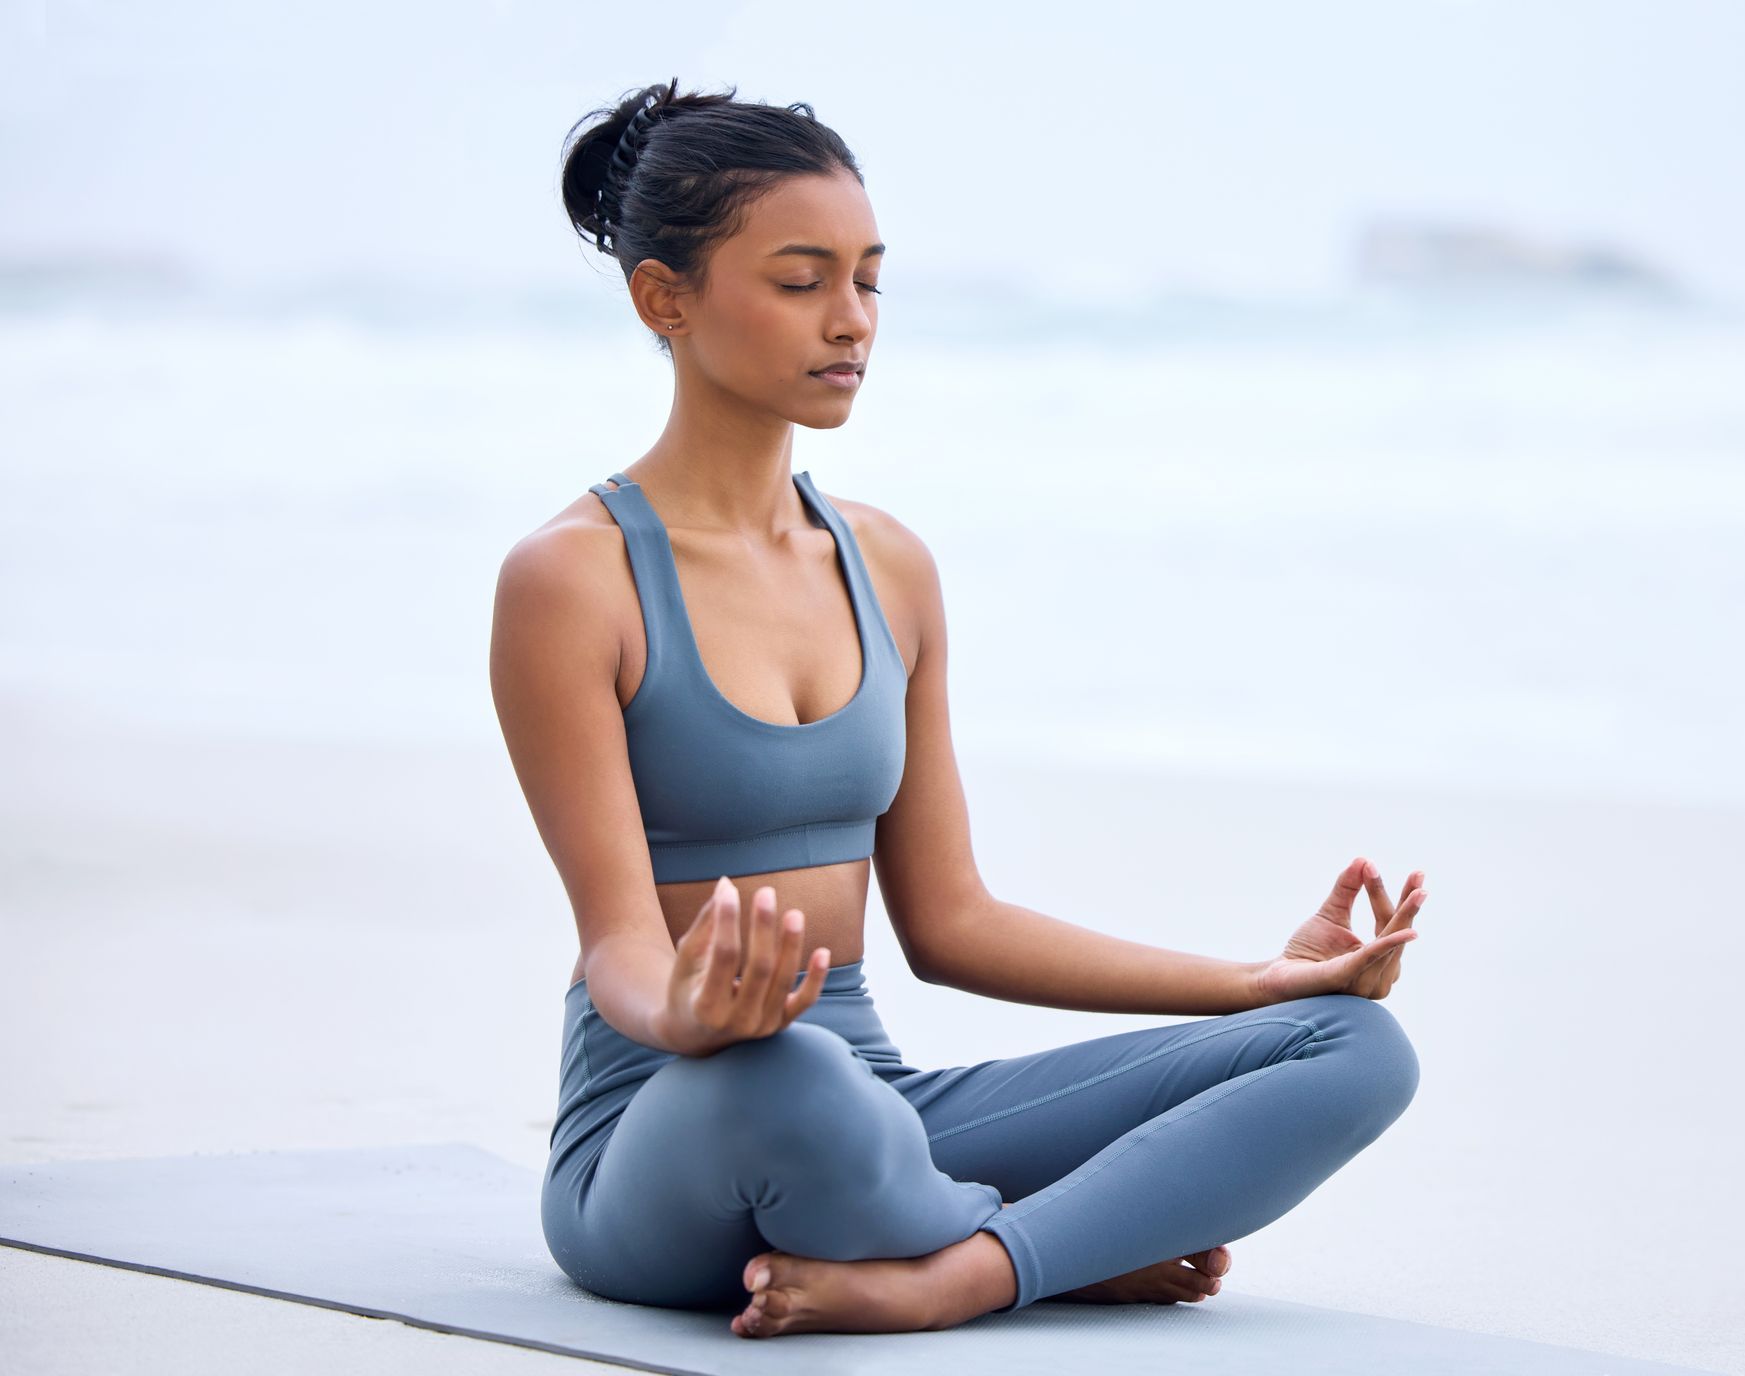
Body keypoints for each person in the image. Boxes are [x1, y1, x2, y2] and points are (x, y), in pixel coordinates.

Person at [489, 78, 1427, 1341]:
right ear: (666, 298)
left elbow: (953, 919)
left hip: (878, 1103)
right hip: (675, 1114)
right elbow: (618, 946)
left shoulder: (890, 565)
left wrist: (1253, 982)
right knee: (797, 1074)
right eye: (802, 279)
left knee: (1353, 1048)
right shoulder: (570, 578)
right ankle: (1058, 1237)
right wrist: (692, 1012)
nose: (853, 320)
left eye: (871, 280)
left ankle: (965, 1264)